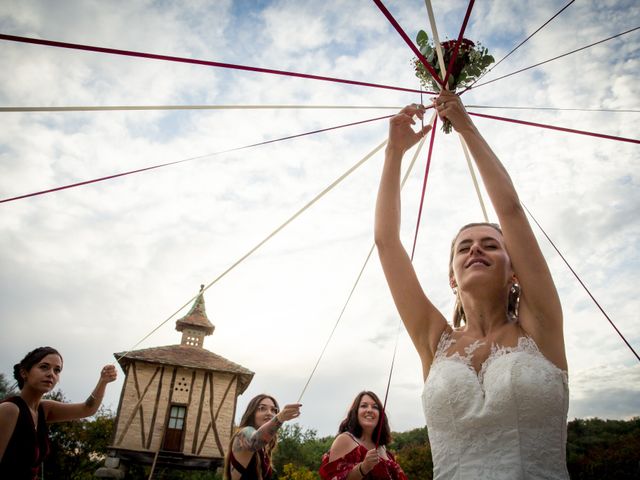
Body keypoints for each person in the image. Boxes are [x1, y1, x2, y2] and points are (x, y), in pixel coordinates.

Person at [374, 92, 569, 479]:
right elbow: (387, 243)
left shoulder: (541, 326)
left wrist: (464, 126)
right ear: (452, 276)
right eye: (464, 247)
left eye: (490, 245)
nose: (475, 249)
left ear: (514, 272)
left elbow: (510, 209)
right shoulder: (434, 341)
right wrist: (393, 154)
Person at [0, 346, 118, 480]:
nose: (51, 374)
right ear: (24, 372)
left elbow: (87, 409)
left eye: (57, 370)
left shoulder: (44, 409)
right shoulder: (9, 409)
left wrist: (103, 382)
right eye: (44, 367)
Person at [319, 391, 407, 480]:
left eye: (375, 407)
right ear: (356, 412)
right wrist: (363, 468)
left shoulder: (383, 448)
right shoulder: (344, 440)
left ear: (380, 415)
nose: (369, 410)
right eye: (364, 406)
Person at [223, 394, 301, 480]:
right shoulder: (243, 433)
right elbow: (254, 441)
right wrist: (280, 418)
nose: (269, 413)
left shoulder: (264, 449)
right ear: (252, 413)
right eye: (262, 408)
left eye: (273, 410)